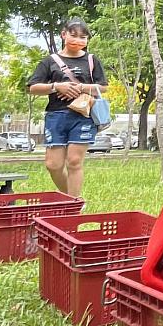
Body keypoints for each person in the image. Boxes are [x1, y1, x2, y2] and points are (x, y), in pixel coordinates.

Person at [26, 18, 108, 197]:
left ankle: (73, 206)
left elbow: (103, 87)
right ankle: (70, 198)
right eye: (74, 35)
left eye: (83, 37)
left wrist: (81, 88)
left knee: (74, 161)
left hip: (83, 116)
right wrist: (56, 87)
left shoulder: (92, 60)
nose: (78, 40)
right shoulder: (50, 61)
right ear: (64, 35)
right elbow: (32, 87)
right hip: (56, 116)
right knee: (53, 165)